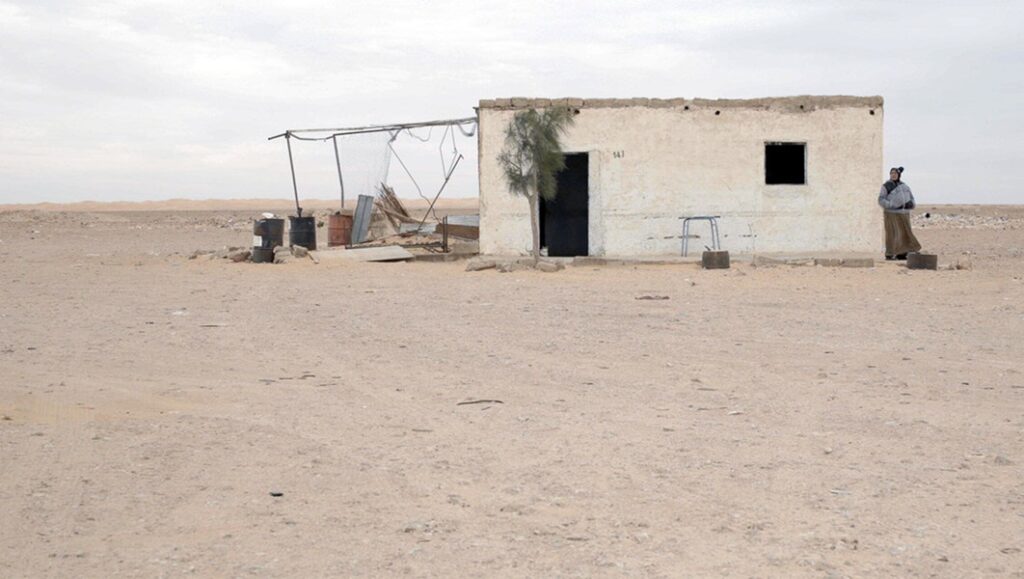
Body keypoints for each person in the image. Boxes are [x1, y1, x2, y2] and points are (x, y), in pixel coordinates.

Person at [878, 166, 921, 260]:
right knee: (892, 234)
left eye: (895, 173)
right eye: (891, 173)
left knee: (905, 233)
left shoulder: (905, 186)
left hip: (904, 213)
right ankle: (890, 254)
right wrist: (890, 204)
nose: (893, 175)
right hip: (891, 213)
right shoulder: (886, 186)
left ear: (899, 175)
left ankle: (902, 253)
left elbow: (911, 197)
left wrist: (912, 204)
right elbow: (881, 199)